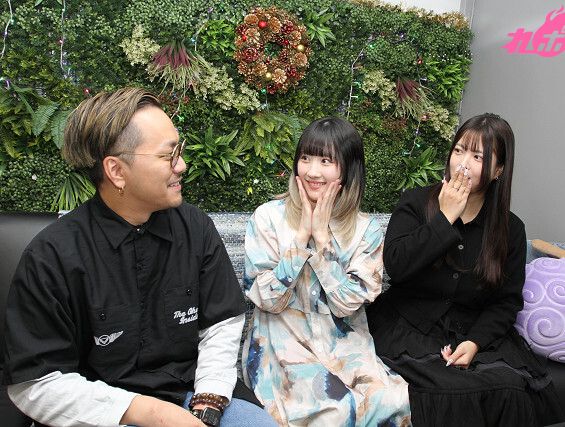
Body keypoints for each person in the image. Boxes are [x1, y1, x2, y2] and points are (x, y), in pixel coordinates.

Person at [2, 87, 276, 427]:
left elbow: (221, 324)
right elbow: (34, 384)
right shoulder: (52, 255)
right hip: (98, 410)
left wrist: (208, 402)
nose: (182, 165)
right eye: (168, 155)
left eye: (179, 150)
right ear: (116, 171)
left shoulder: (195, 227)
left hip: (190, 391)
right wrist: (150, 413)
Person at [366, 114, 565, 426]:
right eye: (459, 151)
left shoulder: (510, 228)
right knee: (446, 390)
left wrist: (474, 342)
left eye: (478, 157)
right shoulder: (416, 202)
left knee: (510, 389)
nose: (463, 163)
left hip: (473, 336)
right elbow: (396, 266)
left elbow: (506, 302)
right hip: (408, 330)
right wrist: (444, 218)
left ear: (498, 170)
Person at [241, 117, 411, 426]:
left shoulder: (366, 230)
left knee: (394, 400)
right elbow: (266, 299)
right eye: (305, 158)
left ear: (348, 169)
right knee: (333, 411)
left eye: (326, 161)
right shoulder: (268, 218)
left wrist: (322, 242)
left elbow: (347, 305)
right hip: (283, 346)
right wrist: (301, 240)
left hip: (345, 345)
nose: (312, 171)